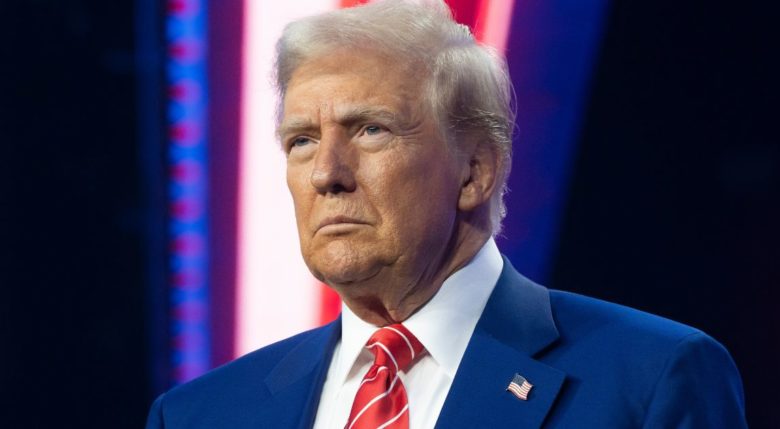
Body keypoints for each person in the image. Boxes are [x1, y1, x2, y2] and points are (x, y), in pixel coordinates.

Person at [146, 1, 747, 427]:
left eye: (370, 129)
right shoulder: (201, 414)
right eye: (301, 140)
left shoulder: (650, 380)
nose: (326, 172)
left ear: (474, 172)